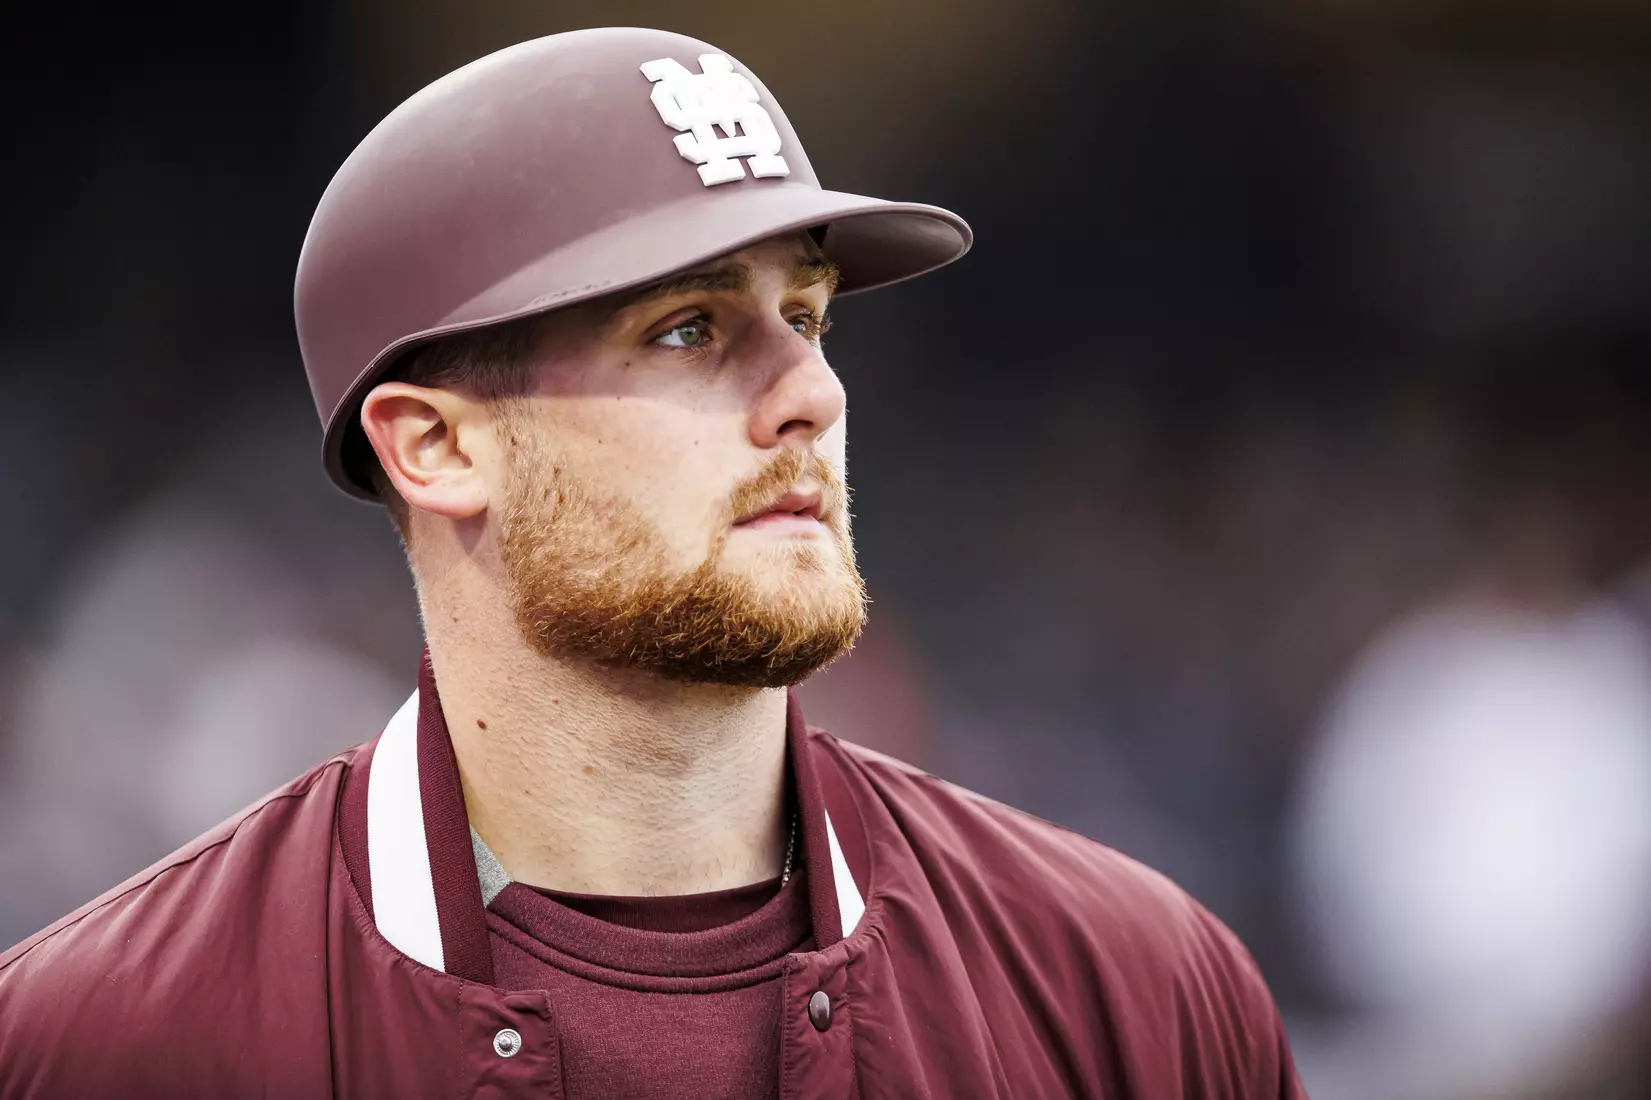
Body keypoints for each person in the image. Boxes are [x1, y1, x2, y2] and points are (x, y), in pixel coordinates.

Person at [0, 28, 1303, 1099]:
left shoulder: (1131, 994)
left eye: (804, 315)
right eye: (686, 328)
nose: (809, 393)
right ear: (440, 445)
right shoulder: (102, 1042)